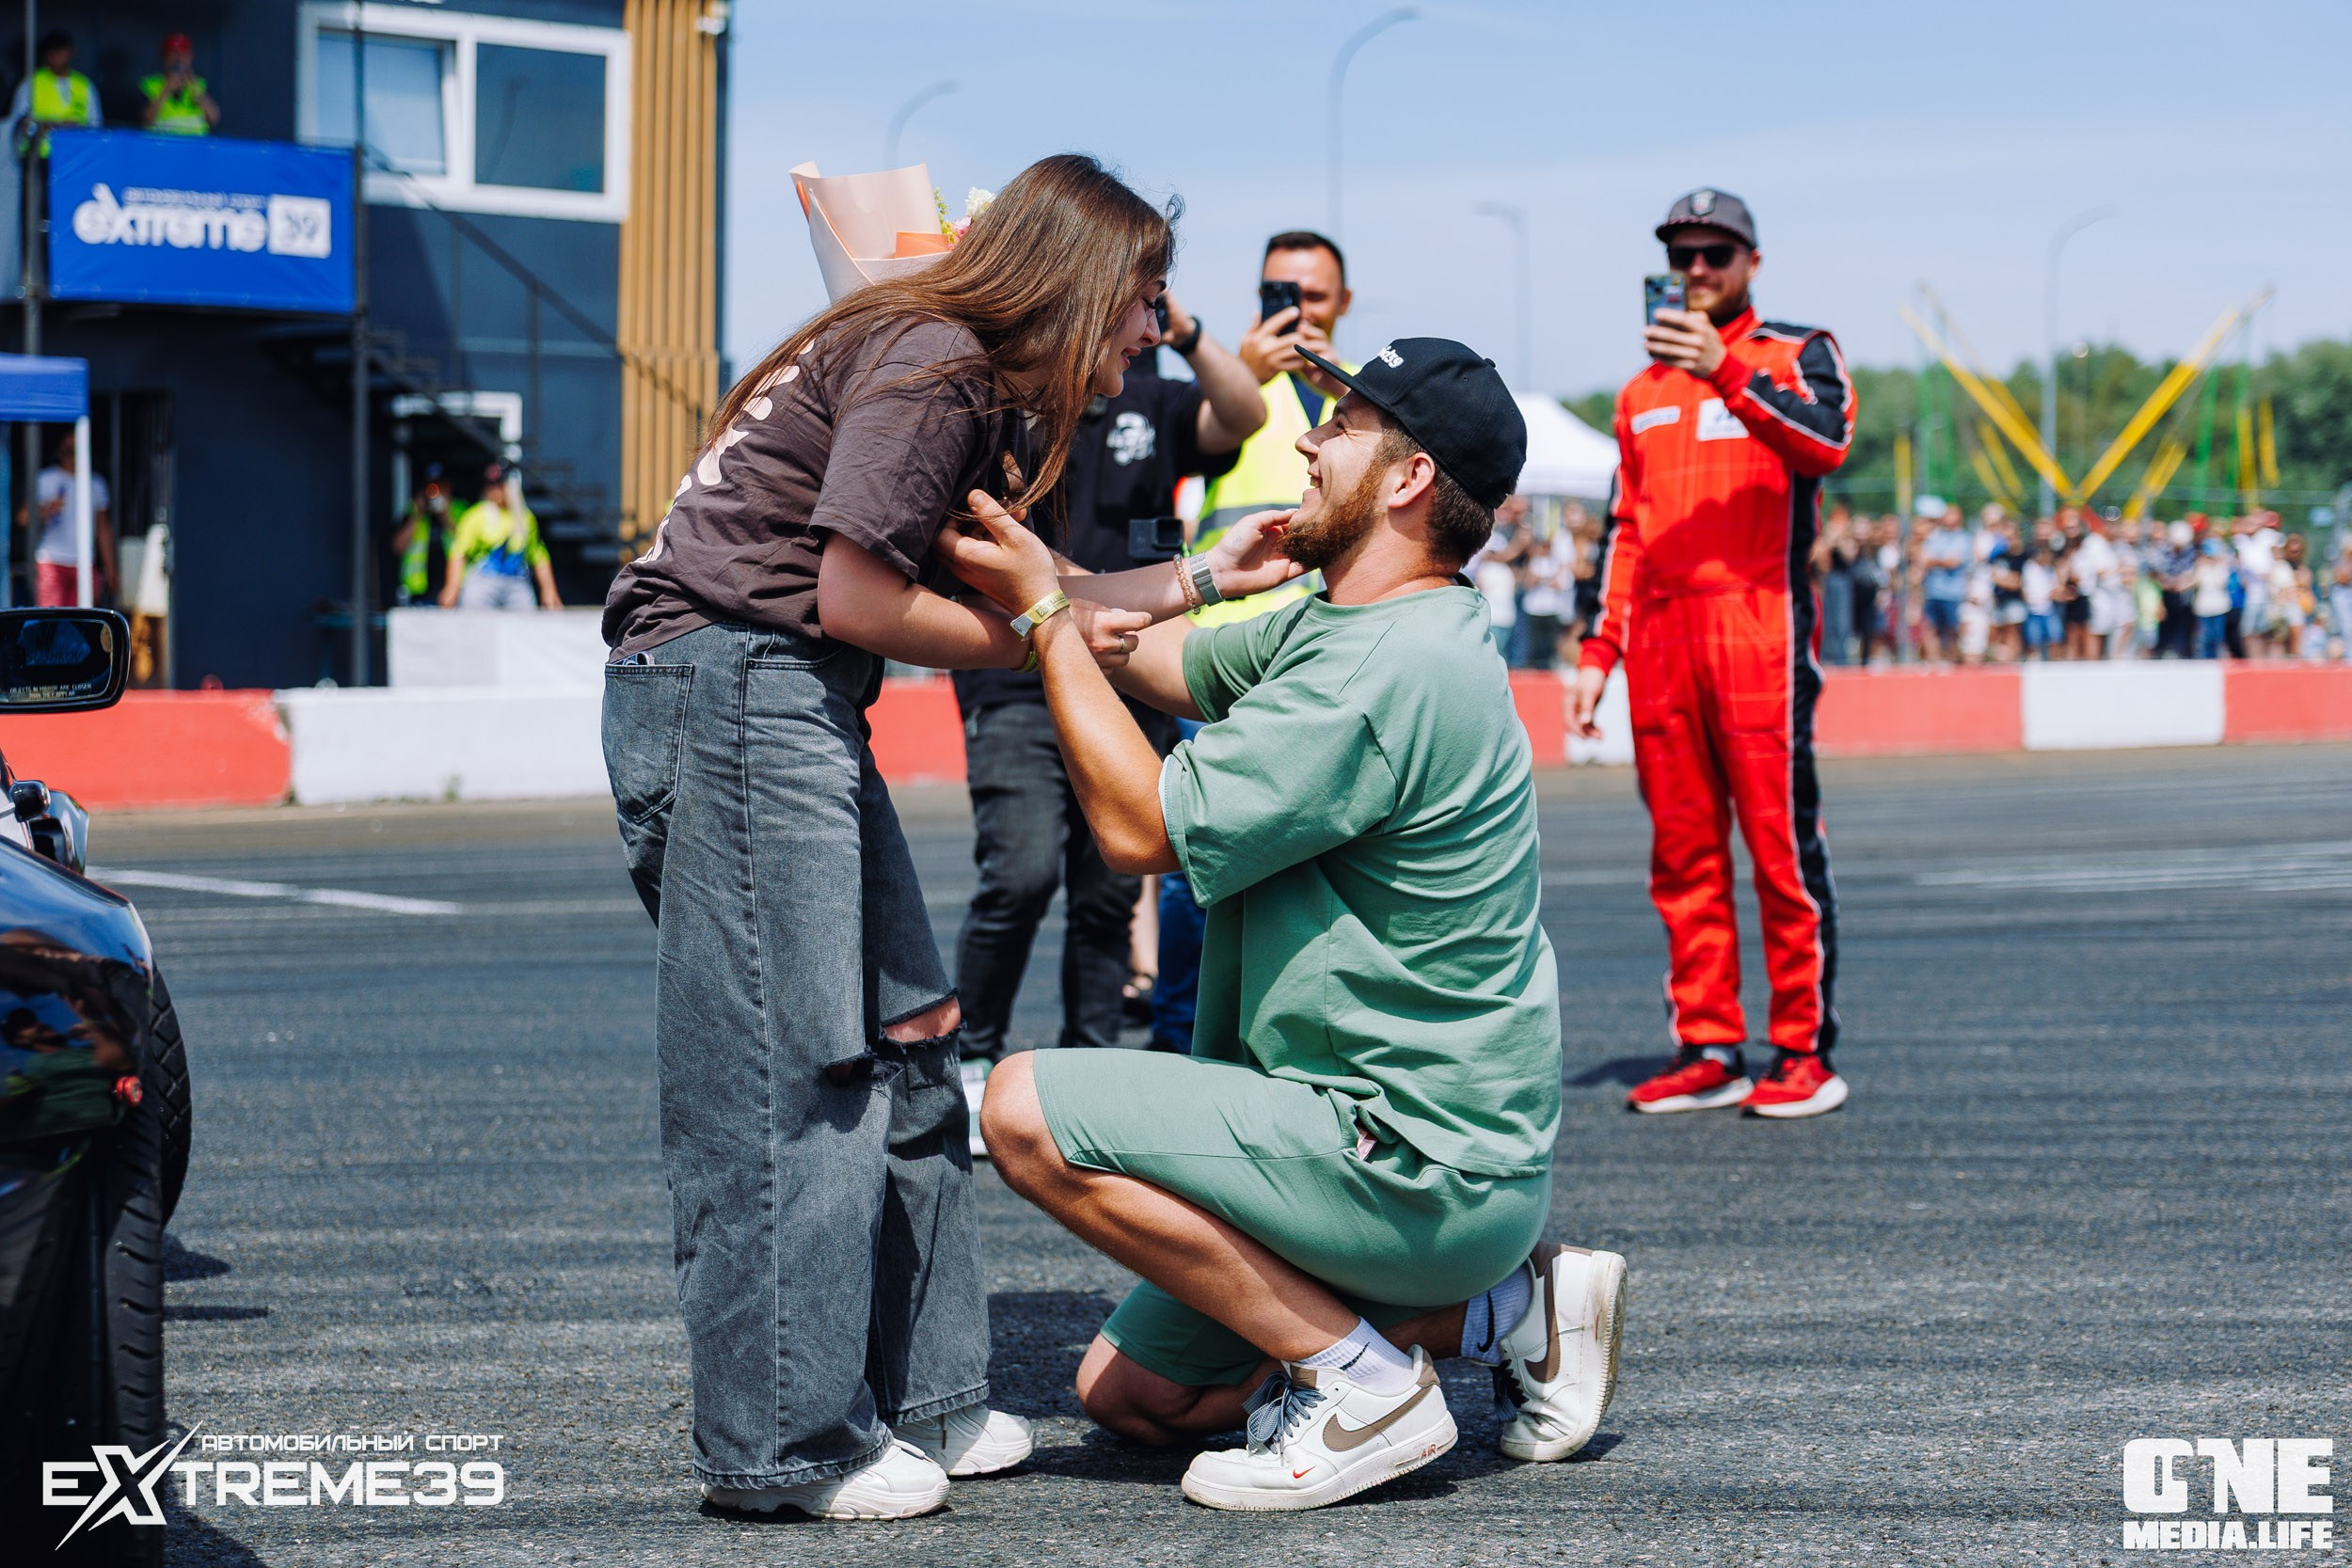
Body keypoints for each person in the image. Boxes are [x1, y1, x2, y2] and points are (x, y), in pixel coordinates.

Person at [596, 154, 1303, 1523]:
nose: (1154, 333)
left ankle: (925, 1394)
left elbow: (1046, 594)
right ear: (1083, 286)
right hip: (732, 685)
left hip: (782, 696)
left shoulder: (955, 375)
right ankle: (787, 1443)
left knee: (915, 1043)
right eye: (1146, 300)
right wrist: (1044, 637)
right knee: (789, 1078)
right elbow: (861, 596)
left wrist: (1214, 573)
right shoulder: (936, 363)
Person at [946, 335, 1627, 1513]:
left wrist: (1046, 616)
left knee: (1019, 1108)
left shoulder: (1387, 670)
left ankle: (1363, 1383)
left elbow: (1138, 828)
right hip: (1397, 1148)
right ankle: (1510, 1308)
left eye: (1341, 424)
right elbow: (1142, 653)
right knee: (1131, 1397)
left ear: (1409, 479)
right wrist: (1185, 578)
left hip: (1407, 1153)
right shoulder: (1345, 618)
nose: (1304, 442)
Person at [1573, 188, 1853, 1119]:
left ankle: (1802, 1050)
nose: (1696, 271)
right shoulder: (1638, 394)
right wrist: (1596, 650)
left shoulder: (1796, 350)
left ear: (1750, 262)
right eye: (1681, 255)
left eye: (1714, 254)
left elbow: (1826, 441)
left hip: (1759, 632)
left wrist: (1726, 367)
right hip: (1659, 639)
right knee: (1683, 855)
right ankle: (1709, 1043)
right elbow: (1625, 530)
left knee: (1778, 849)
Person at [949, 290, 1262, 1088]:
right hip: (1015, 668)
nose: (1148, 329)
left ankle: (1086, 1068)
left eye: (1155, 308)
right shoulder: (1008, 399)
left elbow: (1245, 412)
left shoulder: (1153, 395)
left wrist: (1187, 329)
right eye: (1135, 306)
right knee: (1018, 874)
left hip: (1129, 668)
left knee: (1109, 888)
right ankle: (972, 1051)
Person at [1154, 229, 1361, 1053]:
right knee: (1195, 861)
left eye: (1311, 296)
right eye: (1279, 293)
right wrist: (1236, 368)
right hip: (1221, 654)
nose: (1296, 311)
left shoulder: (1362, 406)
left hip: (1324, 653)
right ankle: (1178, 1038)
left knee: (1312, 860)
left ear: (1343, 303)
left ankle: (1288, 1035)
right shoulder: (1229, 388)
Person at [441, 466, 560, 610]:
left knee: (527, 623)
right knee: (474, 622)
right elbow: (458, 553)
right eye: (490, 485)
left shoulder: (525, 518)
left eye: (499, 484)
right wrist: (452, 587)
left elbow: (538, 556)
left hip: (517, 581)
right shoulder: (475, 516)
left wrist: (549, 590)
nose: (494, 490)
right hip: (483, 580)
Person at [32, 433, 115, 607]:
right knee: (50, 622)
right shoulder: (45, 479)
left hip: (85, 562)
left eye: (76, 451)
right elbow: (23, 518)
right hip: (51, 561)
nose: (72, 456)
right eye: (68, 451)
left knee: (83, 623)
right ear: (60, 452)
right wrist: (47, 508)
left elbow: (103, 528)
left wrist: (110, 569)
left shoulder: (96, 483)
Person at [9, 30, 96, 152]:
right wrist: (49, 126)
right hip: (39, 155)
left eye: (61, 50)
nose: (56, 56)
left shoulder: (84, 84)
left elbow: (95, 125)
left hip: (75, 155)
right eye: (52, 51)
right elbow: (17, 124)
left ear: (71, 52)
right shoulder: (31, 83)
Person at [392, 464, 453, 606]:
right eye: (431, 490)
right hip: (420, 592)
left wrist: (445, 516)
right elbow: (397, 547)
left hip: (452, 590)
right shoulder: (412, 514)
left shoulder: (458, 510)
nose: (434, 495)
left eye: (439, 489)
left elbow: (465, 542)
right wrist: (417, 515)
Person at [1917, 504, 1969, 662]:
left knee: (1952, 630)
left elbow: (1953, 562)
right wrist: (1941, 561)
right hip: (1933, 592)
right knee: (1930, 629)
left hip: (1953, 593)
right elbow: (1924, 560)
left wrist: (1935, 561)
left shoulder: (1963, 538)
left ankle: (1951, 663)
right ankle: (1935, 663)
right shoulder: (1935, 537)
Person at [140, 33, 219, 135]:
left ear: (190, 57)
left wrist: (196, 92)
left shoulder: (200, 84)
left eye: (183, 54)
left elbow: (214, 119)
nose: (178, 59)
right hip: (163, 147)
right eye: (173, 53)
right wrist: (166, 90)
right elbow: (147, 121)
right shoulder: (150, 85)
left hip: (195, 148)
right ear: (164, 58)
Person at [2192, 535, 2236, 658]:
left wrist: (2219, 564)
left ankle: (2217, 658)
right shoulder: (2201, 568)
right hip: (2204, 607)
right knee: (2205, 637)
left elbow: (2222, 582)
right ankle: (2205, 659)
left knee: (2218, 637)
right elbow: (2196, 582)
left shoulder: (2222, 567)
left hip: (2219, 606)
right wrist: (2200, 565)